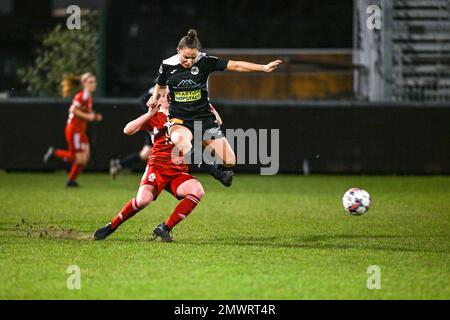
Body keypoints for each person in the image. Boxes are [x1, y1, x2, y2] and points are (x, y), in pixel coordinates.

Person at [147, 29, 282, 187]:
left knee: (230, 161)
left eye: (193, 57)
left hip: (204, 118)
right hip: (179, 119)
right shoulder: (167, 64)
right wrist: (155, 98)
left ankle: (209, 157)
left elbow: (236, 65)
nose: (189, 61)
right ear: (178, 51)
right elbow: (160, 85)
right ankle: (215, 172)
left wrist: (263, 68)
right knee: (179, 140)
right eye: (186, 57)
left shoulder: (205, 61)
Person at [93, 93, 204, 242]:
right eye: (162, 96)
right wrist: (149, 113)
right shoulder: (154, 116)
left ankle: (165, 228)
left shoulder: (185, 114)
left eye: (169, 95)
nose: (166, 98)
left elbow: (213, 122)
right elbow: (127, 130)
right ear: (156, 99)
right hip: (157, 167)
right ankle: (112, 226)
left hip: (178, 171)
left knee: (197, 191)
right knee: (143, 201)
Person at [44, 72, 103, 187]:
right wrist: (89, 117)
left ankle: (71, 180)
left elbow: (85, 112)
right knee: (78, 159)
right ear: (84, 83)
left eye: (94, 82)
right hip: (74, 129)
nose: (94, 84)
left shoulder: (88, 97)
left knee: (84, 158)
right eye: (91, 82)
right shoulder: (82, 96)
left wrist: (94, 116)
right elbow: (72, 110)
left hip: (80, 130)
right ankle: (55, 153)